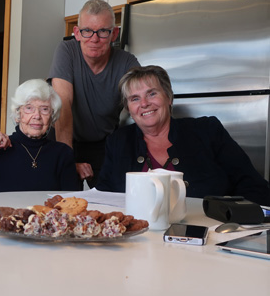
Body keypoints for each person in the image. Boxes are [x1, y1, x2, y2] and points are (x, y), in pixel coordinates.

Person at [96, 65, 270, 206]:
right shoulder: (118, 141)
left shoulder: (207, 131)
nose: (144, 103)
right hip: (137, 236)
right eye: (135, 98)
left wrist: (231, 222)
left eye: (152, 93)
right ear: (128, 108)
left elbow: (254, 187)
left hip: (206, 233)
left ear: (168, 97)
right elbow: (103, 198)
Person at [48, 0, 140, 188]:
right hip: (62, 138)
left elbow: (141, 103)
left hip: (102, 144)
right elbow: (63, 103)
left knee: (109, 197)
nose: (94, 39)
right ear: (77, 33)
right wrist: (68, 161)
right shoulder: (66, 51)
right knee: (62, 197)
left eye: (103, 31)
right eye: (87, 31)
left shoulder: (127, 62)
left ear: (114, 34)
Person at [0, 79, 80, 195]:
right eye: (29, 108)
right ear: (18, 115)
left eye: (44, 109)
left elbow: (72, 204)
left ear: (52, 116)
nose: (37, 116)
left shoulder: (63, 153)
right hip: (3, 214)